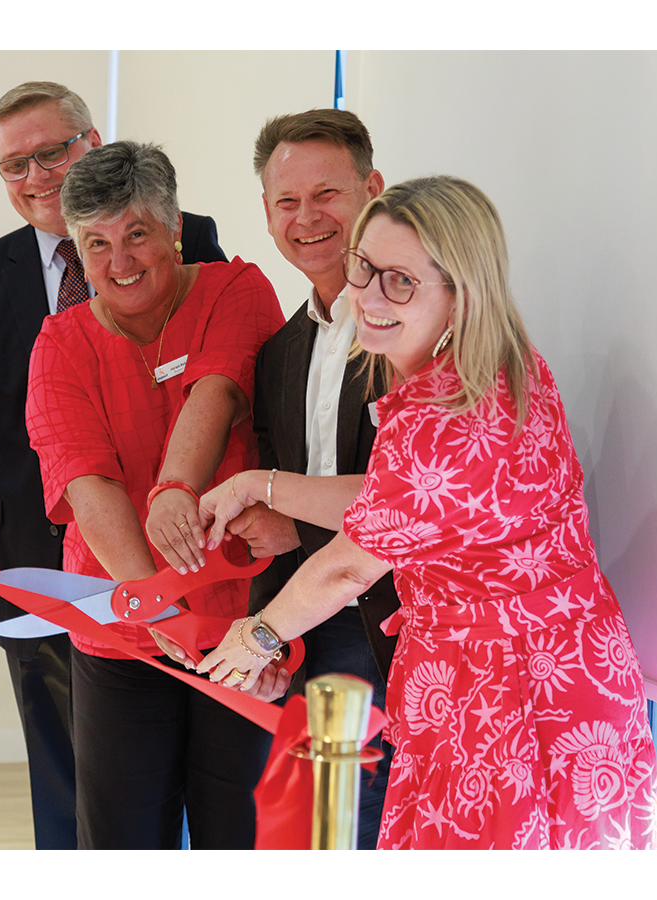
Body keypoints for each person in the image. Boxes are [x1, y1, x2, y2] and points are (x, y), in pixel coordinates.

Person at [198, 176, 657, 849]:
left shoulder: (442, 416)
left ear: (459, 292)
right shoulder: (501, 369)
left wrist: (259, 636)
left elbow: (348, 567)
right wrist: (259, 485)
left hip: (502, 690)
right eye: (364, 268)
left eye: (400, 282)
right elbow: (394, 503)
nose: (369, 297)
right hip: (558, 671)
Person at [0, 82, 226, 850]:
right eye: (15, 165)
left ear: (93, 140)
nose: (38, 176)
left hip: (178, 562)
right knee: (65, 785)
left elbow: (227, 380)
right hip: (40, 575)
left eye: (53, 152)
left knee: (177, 784)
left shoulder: (188, 238)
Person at [24, 140, 286, 849]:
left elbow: (218, 388)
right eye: (97, 243)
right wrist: (157, 608)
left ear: (173, 227)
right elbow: (88, 485)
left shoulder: (236, 290)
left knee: (242, 835)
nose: (120, 262)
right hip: (125, 635)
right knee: (122, 842)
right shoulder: (59, 343)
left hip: (240, 626)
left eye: (137, 233)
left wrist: (174, 487)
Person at [213, 109, 400, 849]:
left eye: (327, 194)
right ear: (265, 214)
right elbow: (282, 530)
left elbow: (401, 500)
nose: (307, 218)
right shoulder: (279, 354)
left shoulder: (414, 331)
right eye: (287, 202)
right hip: (309, 624)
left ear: (373, 190)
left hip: (407, 628)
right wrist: (275, 650)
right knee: (320, 837)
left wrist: (278, 504)